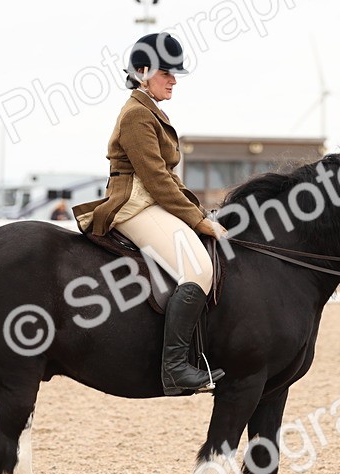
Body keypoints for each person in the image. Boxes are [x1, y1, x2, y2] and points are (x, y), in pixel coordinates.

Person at [73, 32, 226, 395]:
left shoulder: (150, 111)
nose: (174, 80)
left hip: (151, 201)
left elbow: (167, 179)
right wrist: (198, 221)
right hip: (134, 205)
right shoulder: (137, 115)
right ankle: (175, 368)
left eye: (174, 73)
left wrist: (198, 211)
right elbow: (156, 179)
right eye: (166, 72)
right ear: (142, 72)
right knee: (199, 269)